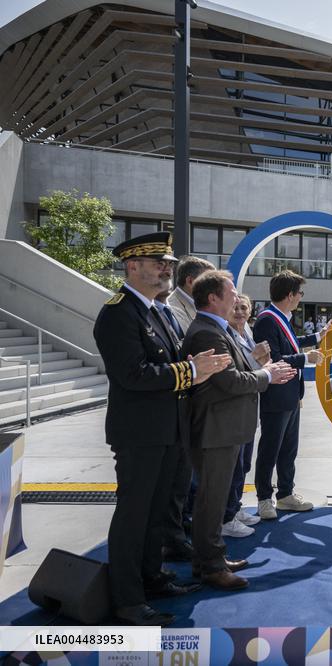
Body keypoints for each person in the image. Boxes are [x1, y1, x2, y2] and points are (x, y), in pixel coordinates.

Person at [93, 232, 231, 626]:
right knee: (133, 517)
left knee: (158, 514)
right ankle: (128, 600)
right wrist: (191, 370)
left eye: (169, 264)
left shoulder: (160, 311)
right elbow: (133, 374)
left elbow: (175, 362)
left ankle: (152, 578)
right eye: (159, 264)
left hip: (170, 431)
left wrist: (198, 364)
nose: (167, 270)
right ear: (132, 267)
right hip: (140, 434)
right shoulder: (118, 312)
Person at [180, 271, 295, 590]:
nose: (236, 297)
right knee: (210, 500)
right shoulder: (207, 333)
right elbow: (229, 381)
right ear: (213, 298)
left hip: (226, 428)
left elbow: (238, 371)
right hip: (216, 430)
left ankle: (211, 557)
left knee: (214, 500)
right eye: (231, 292)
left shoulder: (218, 329)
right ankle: (210, 566)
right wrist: (268, 375)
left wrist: (259, 367)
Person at [253, 270, 328, 519]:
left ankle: (285, 494)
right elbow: (274, 359)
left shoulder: (280, 318)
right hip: (276, 395)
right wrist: (306, 358)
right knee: (270, 449)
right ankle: (264, 498)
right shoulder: (267, 320)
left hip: (290, 394)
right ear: (289, 295)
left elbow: (291, 343)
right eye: (299, 293)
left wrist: (317, 337)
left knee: (288, 449)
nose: (300, 297)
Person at [162, 255, 215, 562]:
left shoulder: (184, 308)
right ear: (193, 283)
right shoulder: (173, 309)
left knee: (186, 478)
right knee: (181, 481)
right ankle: (176, 536)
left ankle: (181, 532)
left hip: (192, 405)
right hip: (181, 404)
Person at [222, 294, 271, 538]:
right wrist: (257, 358)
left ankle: (235, 507)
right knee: (233, 465)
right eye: (235, 307)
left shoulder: (247, 333)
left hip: (249, 407)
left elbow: (255, 367)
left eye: (244, 307)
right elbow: (237, 371)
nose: (240, 312)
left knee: (243, 464)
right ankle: (227, 516)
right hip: (235, 410)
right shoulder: (226, 335)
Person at [166, 255, 214, 333]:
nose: (214, 287)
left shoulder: (201, 305)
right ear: (190, 281)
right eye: (208, 281)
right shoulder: (172, 308)